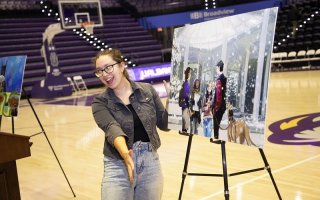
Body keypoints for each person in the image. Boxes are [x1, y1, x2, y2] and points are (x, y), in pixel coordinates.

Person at [91, 49, 168, 200]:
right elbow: (112, 129)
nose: (105, 74)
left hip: (150, 163)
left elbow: (165, 125)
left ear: (121, 65)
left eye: (108, 67)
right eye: (100, 71)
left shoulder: (147, 90)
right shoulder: (100, 102)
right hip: (117, 166)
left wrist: (171, 103)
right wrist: (126, 154)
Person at [212, 60, 227, 140]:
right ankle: (216, 138)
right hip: (222, 106)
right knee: (216, 127)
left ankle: (216, 140)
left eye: (216, 68)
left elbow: (218, 96)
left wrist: (215, 108)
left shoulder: (219, 80)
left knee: (216, 126)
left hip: (219, 107)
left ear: (218, 67)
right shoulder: (224, 78)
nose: (216, 70)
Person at [180, 67, 191, 134]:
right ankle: (184, 130)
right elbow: (186, 95)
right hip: (185, 104)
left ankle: (184, 129)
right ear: (188, 74)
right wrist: (189, 105)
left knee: (184, 118)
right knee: (185, 118)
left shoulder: (185, 83)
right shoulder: (186, 84)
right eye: (190, 73)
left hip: (184, 103)